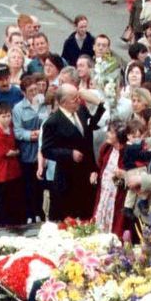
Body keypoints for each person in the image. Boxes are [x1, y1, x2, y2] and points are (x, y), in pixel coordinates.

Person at [41, 83, 98, 221]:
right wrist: (69, 154)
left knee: (87, 214)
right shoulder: (53, 122)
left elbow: (92, 128)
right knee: (68, 217)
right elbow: (47, 150)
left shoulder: (81, 110)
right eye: (74, 99)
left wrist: (98, 102)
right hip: (67, 175)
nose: (78, 100)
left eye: (78, 97)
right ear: (63, 102)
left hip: (86, 172)